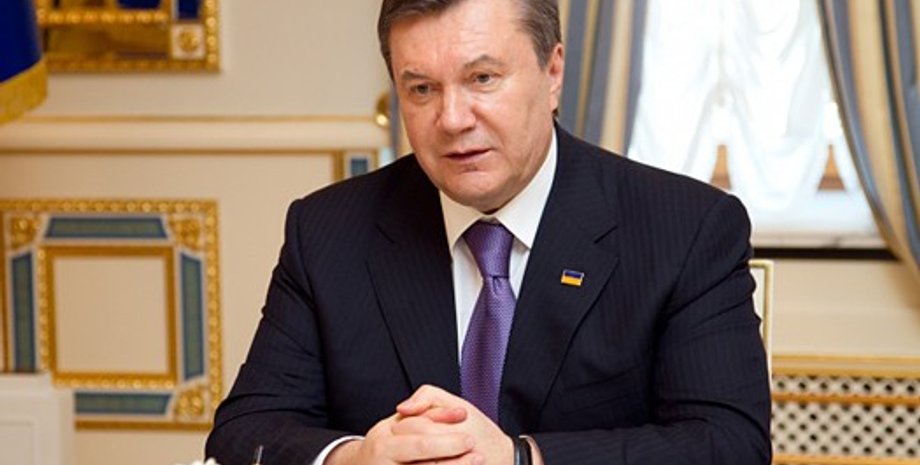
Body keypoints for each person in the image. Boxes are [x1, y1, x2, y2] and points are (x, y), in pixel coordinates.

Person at [205, 0, 772, 464]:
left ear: (553, 73)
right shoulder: (328, 230)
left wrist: (521, 459)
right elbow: (245, 431)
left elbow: (727, 444)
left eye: (482, 79)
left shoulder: (684, 228)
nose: (452, 119)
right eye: (421, 89)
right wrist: (354, 458)